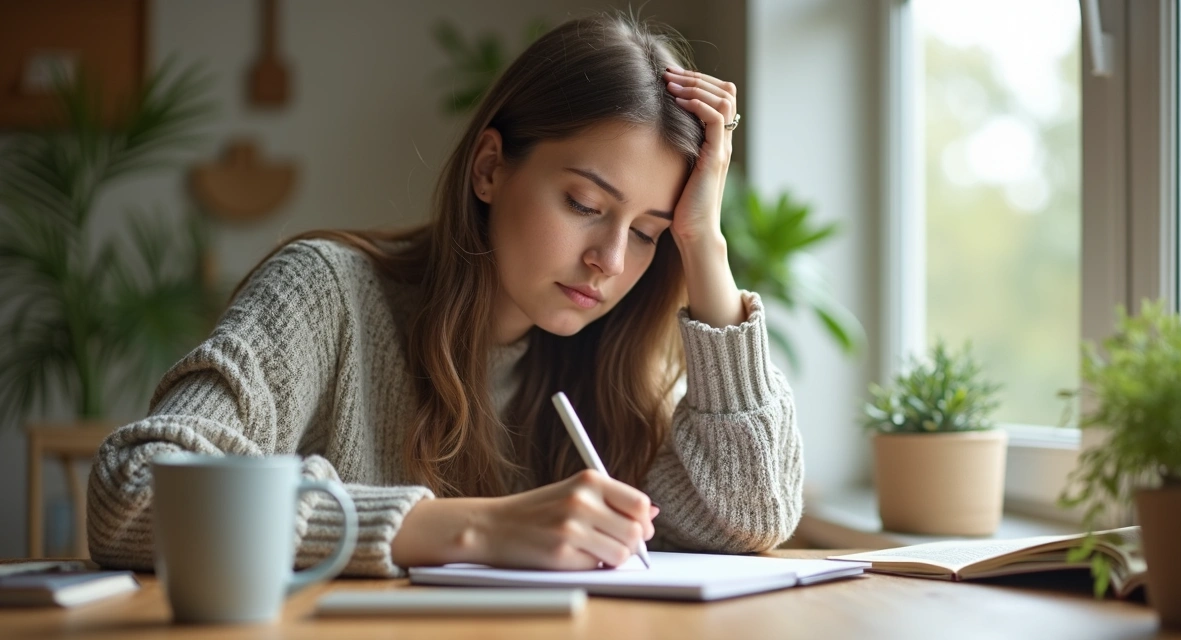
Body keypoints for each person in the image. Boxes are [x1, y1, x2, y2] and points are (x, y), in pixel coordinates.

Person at [87, 11, 803, 578]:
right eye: (585, 203)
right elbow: (134, 494)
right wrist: (475, 529)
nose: (609, 261)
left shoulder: (610, 360)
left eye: (648, 232)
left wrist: (704, 246)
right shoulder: (326, 293)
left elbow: (752, 513)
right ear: (490, 168)